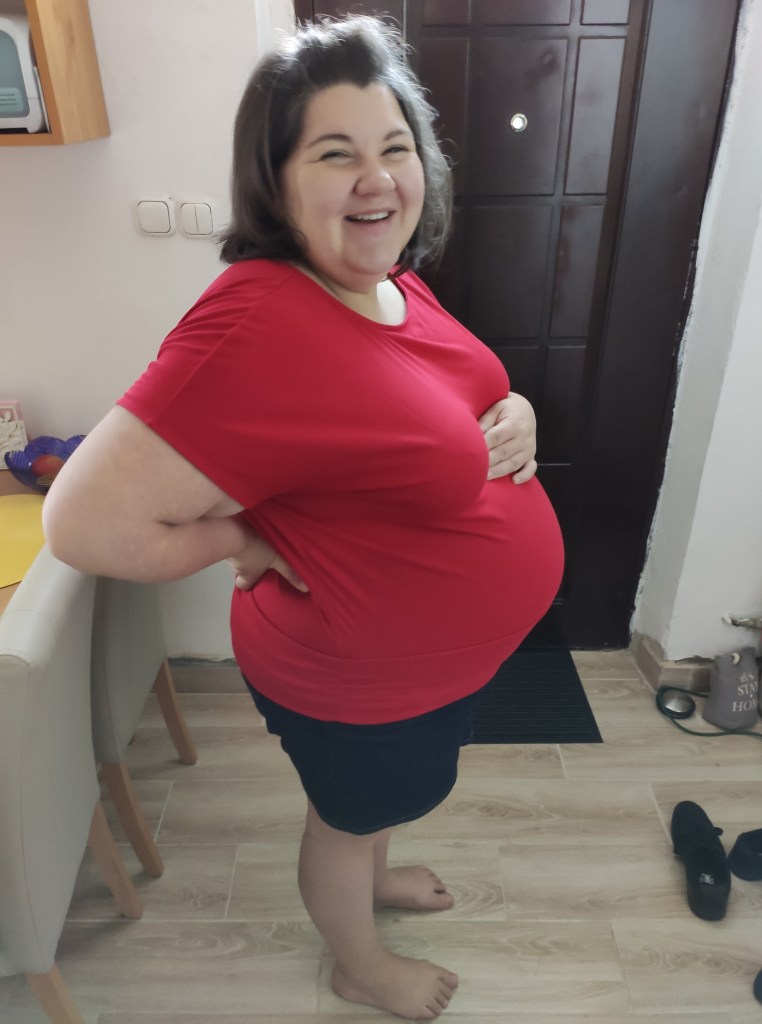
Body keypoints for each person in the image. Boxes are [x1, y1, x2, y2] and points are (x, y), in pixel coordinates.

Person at [44, 15, 564, 1021]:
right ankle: (357, 961)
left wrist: (517, 410)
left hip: (423, 669)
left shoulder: (386, 283)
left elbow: (419, 417)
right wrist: (244, 538)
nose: (377, 180)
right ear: (274, 180)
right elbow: (84, 522)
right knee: (343, 817)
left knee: (378, 805)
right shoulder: (256, 317)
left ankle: (375, 870)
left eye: (394, 148)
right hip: (354, 679)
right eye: (335, 154)